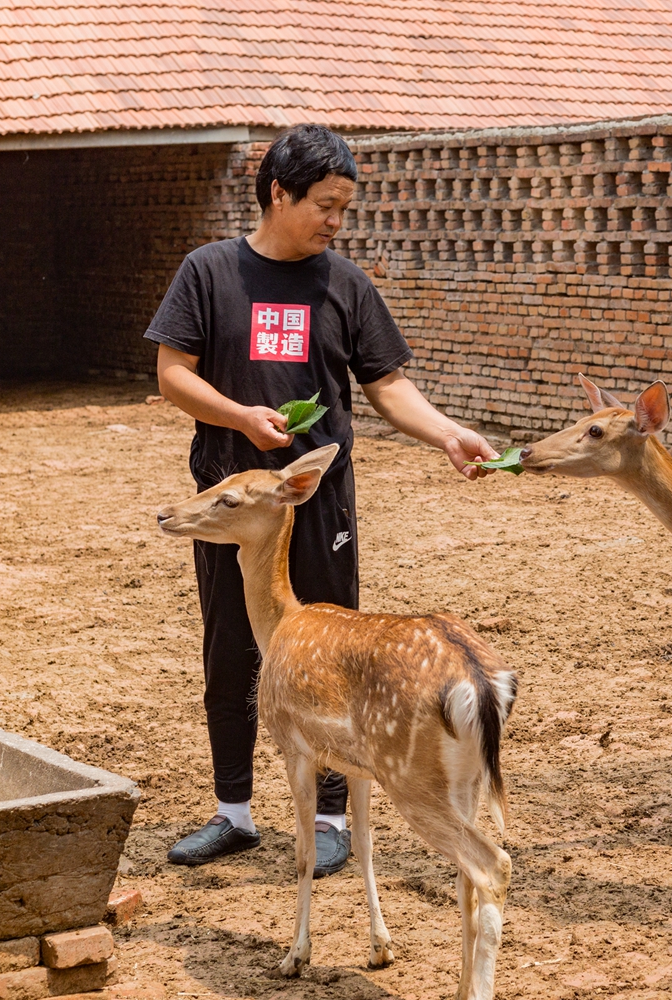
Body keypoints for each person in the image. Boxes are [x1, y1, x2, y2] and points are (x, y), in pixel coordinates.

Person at [145, 124, 500, 870]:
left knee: (336, 654)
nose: (336, 222)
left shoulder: (344, 284)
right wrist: (239, 417)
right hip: (234, 508)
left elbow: (387, 385)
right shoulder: (209, 272)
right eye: (325, 205)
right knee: (234, 649)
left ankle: (334, 819)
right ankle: (234, 813)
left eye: (344, 207)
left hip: (317, 501)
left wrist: (445, 434)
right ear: (279, 193)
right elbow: (172, 374)